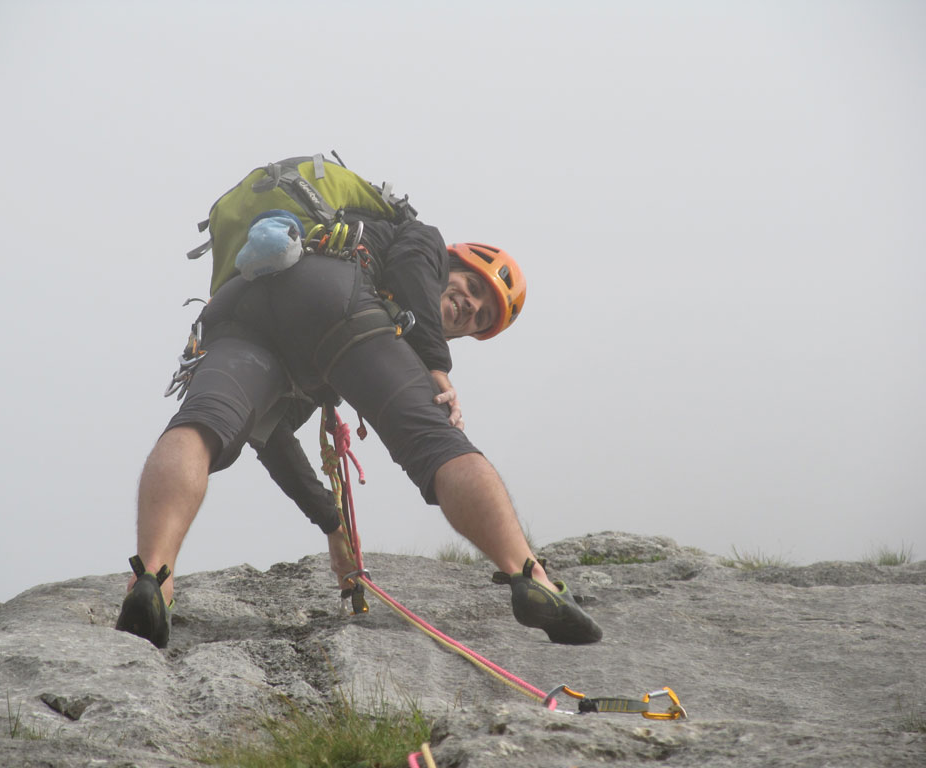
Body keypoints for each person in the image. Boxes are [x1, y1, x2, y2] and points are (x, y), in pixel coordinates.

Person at [116, 192, 603, 650]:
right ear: (451, 262)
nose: (471, 306)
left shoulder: (352, 273)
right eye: (472, 286)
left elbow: (275, 438)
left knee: (202, 426)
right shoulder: (424, 238)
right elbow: (413, 267)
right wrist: (436, 365)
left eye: (479, 318)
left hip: (244, 310)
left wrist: (332, 524)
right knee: (438, 443)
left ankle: (152, 581)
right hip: (333, 293)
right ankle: (532, 579)